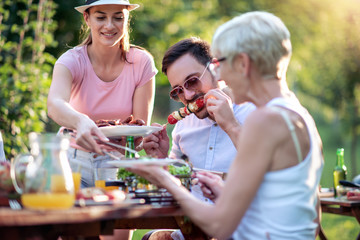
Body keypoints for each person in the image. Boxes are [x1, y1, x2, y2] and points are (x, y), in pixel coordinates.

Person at [130, 11, 324, 240]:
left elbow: (219, 227)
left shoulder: (265, 120)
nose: (219, 73)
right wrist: (224, 194)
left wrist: (165, 180)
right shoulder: (296, 112)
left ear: (243, 63)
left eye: (221, 63)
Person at [47, 0, 157, 239]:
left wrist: (147, 142)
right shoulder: (71, 61)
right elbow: (55, 105)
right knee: (72, 233)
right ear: (87, 18)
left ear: (127, 18)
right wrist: (81, 121)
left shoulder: (141, 63)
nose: (110, 25)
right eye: (100, 17)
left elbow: (137, 134)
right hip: (71, 162)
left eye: (118, 17)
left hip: (115, 163)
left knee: (117, 235)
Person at [141, 37, 255, 239]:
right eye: (178, 91)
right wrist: (161, 158)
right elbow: (174, 192)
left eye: (192, 81)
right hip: (191, 231)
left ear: (215, 69)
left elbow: (274, 176)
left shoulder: (255, 111)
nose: (188, 95)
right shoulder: (183, 127)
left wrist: (231, 125)